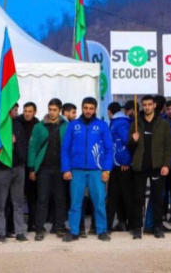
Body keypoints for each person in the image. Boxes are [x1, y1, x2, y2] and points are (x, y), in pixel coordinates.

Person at [61, 97, 113, 242]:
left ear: (95, 109)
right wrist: (66, 169)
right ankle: (74, 231)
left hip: (97, 170)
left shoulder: (102, 126)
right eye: (86, 108)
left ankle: (102, 230)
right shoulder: (73, 126)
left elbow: (109, 150)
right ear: (82, 108)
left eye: (91, 108)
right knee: (75, 203)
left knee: (99, 202)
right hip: (77, 170)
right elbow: (65, 149)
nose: (88, 111)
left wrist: (106, 169)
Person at [128, 95, 171, 239]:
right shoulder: (136, 123)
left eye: (149, 104)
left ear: (154, 105)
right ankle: (136, 228)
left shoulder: (163, 123)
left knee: (158, 199)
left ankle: (157, 227)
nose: (147, 107)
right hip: (140, 166)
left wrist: (166, 164)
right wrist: (133, 140)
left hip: (157, 166)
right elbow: (130, 146)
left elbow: (168, 146)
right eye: (144, 105)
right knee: (138, 199)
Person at [28, 99, 69, 241]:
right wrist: (32, 168)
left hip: (60, 168)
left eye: (54, 110)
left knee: (60, 199)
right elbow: (32, 149)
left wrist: (68, 168)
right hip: (44, 169)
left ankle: (59, 226)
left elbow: (69, 148)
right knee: (42, 199)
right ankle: (39, 228)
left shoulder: (66, 126)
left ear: (60, 110)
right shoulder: (39, 127)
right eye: (50, 109)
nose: (51, 112)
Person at [0, 99, 29, 244]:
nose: (16, 112)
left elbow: (24, 145)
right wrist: (7, 143)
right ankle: (1, 233)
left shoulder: (18, 124)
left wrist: (19, 150)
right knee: (0, 204)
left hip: (18, 168)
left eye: (17, 110)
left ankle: (19, 232)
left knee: (18, 202)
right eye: (14, 109)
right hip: (2, 169)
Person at [106, 102, 133, 232]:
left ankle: (131, 224)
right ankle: (122, 222)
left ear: (109, 111)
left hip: (121, 165)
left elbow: (127, 142)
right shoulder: (118, 122)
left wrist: (126, 161)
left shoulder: (120, 123)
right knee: (118, 197)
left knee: (121, 196)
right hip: (117, 164)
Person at [16, 102, 40, 232]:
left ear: (35, 112)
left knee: (32, 196)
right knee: (17, 196)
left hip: (32, 166)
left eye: (30, 111)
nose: (27, 113)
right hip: (18, 164)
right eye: (25, 111)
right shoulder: (17, 122)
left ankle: (32, 223)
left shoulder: (38, 125)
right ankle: (15, 225)